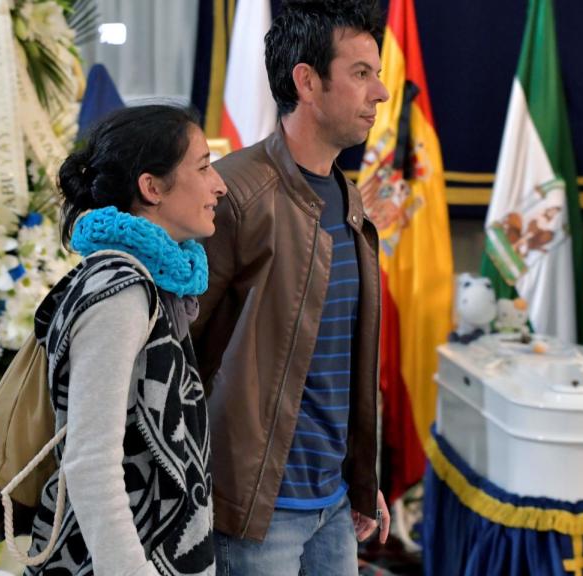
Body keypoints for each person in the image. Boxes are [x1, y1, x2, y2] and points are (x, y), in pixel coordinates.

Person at [190, 0, 391, 573]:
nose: (379, 93)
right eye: (360, 74)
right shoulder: (231, 194)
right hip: (256, 515)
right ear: (307, 81)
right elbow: (179, 352)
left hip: (333, 509)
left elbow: (339, 359)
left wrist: (361, 476)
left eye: (376, 75)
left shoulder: (347, 196)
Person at [24, 104, 226, 575]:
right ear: (151, 188)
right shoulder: (120, 293)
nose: (219, 185)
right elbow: (90, 465)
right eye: (203, 167)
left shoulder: (148, 284)